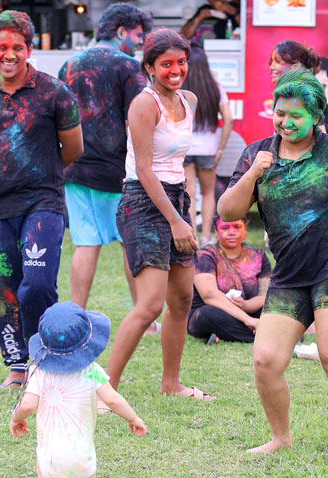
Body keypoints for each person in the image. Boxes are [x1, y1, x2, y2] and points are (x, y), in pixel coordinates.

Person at [217, 70, 328, 466]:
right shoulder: (256, 153)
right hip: (291, 274)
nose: (286, 122)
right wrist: (252, 174)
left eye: (296, 116)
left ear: (316, 117)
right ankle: (280, 438)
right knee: (266, 360)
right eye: (280, 113)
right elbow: (228, 212)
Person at [0, 11, 84, 389]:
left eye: (18, 47)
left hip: (43, 206)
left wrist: (39, 173)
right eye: (3, 47)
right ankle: (18, 367)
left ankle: (45, 359)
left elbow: (74, 147)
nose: (10, 54)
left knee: (35, 284)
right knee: (2, 289)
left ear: (30, 49)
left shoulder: (55, 92)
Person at [109, 28, 215, 401]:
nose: (175, 69)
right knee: (150, 304)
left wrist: (184, 210)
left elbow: (177, 163)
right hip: (143, 201)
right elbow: (145, 168)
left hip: (175, 200)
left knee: (182, 300)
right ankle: (105, 390)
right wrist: (175, 219)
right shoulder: (144, 104)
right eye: (166, 64)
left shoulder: (190, 99)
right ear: (150, 67)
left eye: (181, 62)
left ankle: (171, 384)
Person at [10, 302, 147, 478]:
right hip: (82, 455)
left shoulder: (38, 371)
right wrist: (133, 418)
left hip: (50, 457)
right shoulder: (91, 370)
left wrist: (17, 418)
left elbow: (29, 405)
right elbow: (113, 400)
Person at [58, 3, 154, 315]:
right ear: (122, 31)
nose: (140, 43)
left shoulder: (69, 65)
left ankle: (75, 313)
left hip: (74, 167)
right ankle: (144, 317)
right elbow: (137, 121)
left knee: (86, 243)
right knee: (131, 245)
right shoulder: (128, 67)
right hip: (118, 171)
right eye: (138, 35)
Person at [188, 215, 271, 343]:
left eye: (237, 227)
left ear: (245, 229)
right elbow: (209, 295)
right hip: (214, 311)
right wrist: (247, 320)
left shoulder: (258, 256)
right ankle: (265, 335)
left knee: (273, 310)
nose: (232, 232)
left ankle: (227, 334)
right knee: (207, 314)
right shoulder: (205, 256)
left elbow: (264, 295)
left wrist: (246, 305)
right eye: (225, 228)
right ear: (216, 231)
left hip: (248, 311)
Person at [182, 45, 233, 246]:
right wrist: (221, 148)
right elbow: (228, 119)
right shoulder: (216, 87)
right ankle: (206, 237)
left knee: (189, 193)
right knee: (208, 192)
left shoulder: (181, 89)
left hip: (184, 147)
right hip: (209, 149)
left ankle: (192, 235)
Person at [267, 41, 328, 134]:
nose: (271, 66)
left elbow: (321, 136)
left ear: (295, 66)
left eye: (278, 61)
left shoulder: (309, 93)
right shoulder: (286, 92)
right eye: (271, 61)